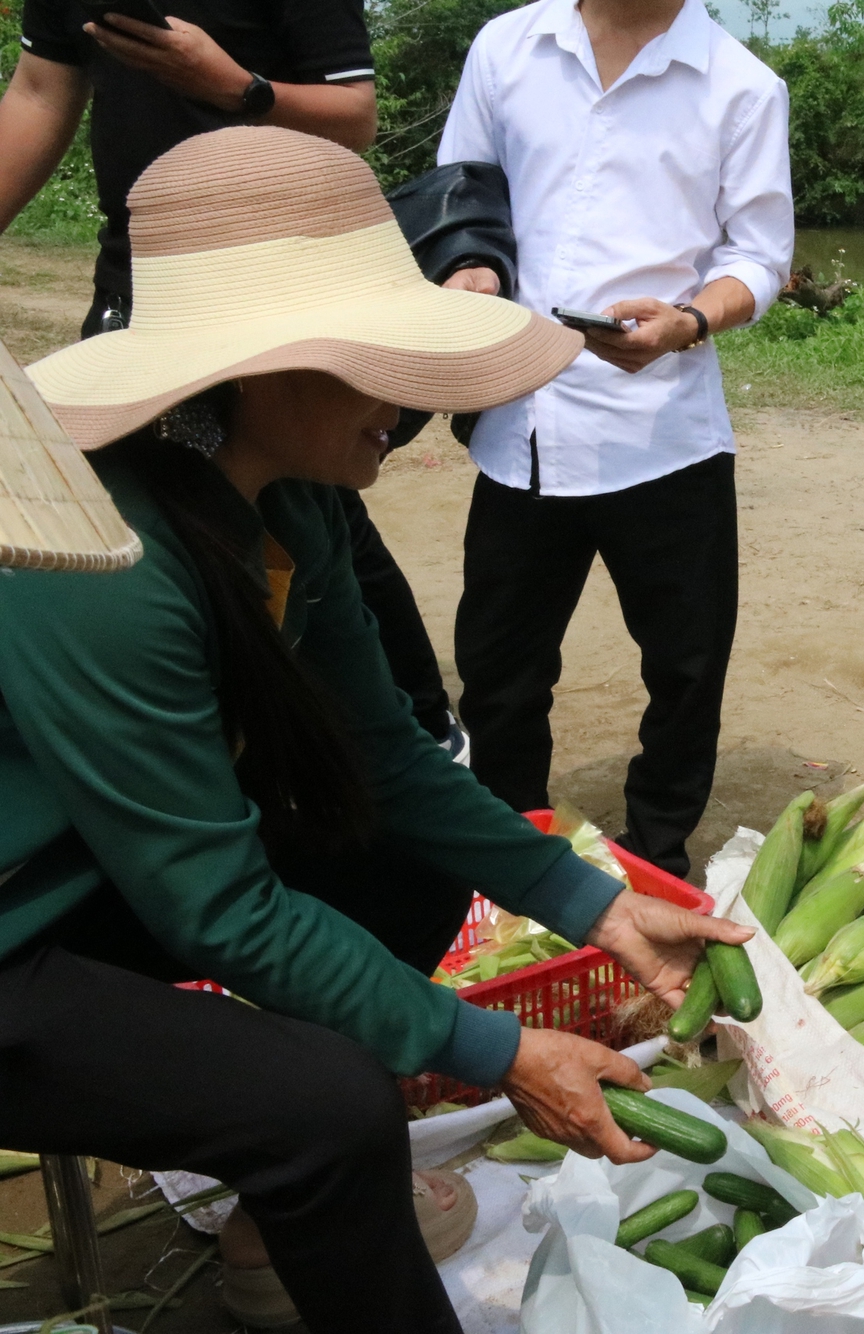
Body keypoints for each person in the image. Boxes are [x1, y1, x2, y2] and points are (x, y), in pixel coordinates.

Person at [2, 127, 751, 1333]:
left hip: (99, 868)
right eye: (377, 360)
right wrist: (500, 1050)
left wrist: (600, 907)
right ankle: (311, 1182)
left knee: (400, 862)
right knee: (325, 1105)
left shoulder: (291, 496)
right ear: (259, 371)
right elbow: (219, 909)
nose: (406, 401)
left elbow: (387, 757)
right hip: (18, 929)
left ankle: (291, 1218)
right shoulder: (112, 563)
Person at [0, 0, 473, 760]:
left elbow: (355, 115)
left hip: (286, 296)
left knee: (307, 521)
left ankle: (415, 726)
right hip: (145, 293)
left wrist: (234, 87)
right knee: (175, 535)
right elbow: (37, 93)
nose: (396, 397)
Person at [435, 0, 793, 878]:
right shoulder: (509, 48)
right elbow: (463, 192)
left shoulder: (740, 86)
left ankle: (657, 852)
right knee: (499, 668)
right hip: (521, 421)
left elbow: (759, 256)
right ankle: (510, 851)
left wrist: (688, 322)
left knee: (685, 670)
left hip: (663, 434)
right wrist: (468, 266)